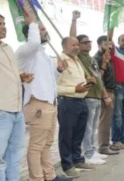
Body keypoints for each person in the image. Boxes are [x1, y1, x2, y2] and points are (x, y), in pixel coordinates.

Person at [16, 14, 71, 181]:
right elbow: (33, 42)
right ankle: (37, 178)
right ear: (30, 33)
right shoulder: (26, 51)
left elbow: (48, 80)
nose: (45, 31)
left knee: (47, 143)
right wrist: (32, 22)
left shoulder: (42, 54)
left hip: (49, 103)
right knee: (36, 146)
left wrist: (58, 71)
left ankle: (50, 175)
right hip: (37, 104)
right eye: (41, 29)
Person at [70, 11, 111, 165]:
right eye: (85, 42)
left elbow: (98, 77)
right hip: (87, 97)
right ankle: (87, 154)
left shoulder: (92, 58)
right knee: (87, 128)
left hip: (96, 96)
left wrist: (104, 65)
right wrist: (74, 20)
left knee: (93, 127)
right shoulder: (78, 56)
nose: (89, 44)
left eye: (89, 42)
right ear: (78, 45)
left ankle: (91, 151)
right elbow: (71, 38)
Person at [57, 36, 97, 178]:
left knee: (78, 134)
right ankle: (67, 165)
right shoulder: (59, 60)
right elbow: (54, 87)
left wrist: (87, 81)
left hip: (81, 101)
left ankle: (78, 160)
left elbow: (78, 81)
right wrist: (74, 89)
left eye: (77, 45)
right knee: (66, 135)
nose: (76, 47)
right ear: (64, 46)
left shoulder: (77, 59)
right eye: (73, 45)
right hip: (68, 101)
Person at [0, 14, 34, 181]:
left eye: (4, 23)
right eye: (0, 24)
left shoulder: (7, 47)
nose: (3, 27)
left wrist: (21, 76)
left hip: (16, 110)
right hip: (2, 111)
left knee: (13, 157)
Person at [94, 36, 119, 156]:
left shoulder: (108, 58)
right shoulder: (98, 58)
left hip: (111, 91)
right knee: (104, 120)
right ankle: (103, 146)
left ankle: (106, 144)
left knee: (107, 120)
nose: (109, 47)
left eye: (111, 44)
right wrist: (105, 96)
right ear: (99, 44)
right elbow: (98, 78)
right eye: (106, 44)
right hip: (105, 92)